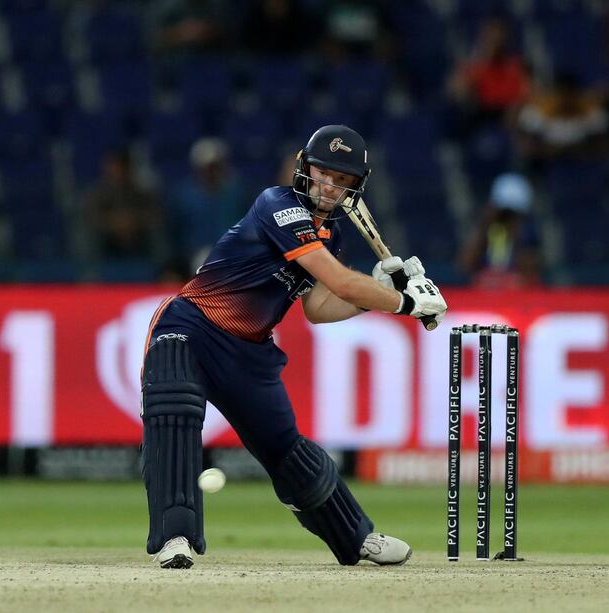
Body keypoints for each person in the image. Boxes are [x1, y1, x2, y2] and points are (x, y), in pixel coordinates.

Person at [141, 125, 447, 569]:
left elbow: (320, 305)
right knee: (175, 412)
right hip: (192, 325)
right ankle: (176, 539)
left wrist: (373, 297)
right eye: (324, 173)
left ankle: (356, 537)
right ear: (304, 168)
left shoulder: (333, 237)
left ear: (354, 187)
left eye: (342, 180)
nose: (330, 186)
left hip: (248, 351)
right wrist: (405, 302)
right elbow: (341, 280)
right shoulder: (277, 204)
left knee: (287, 450)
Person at [165, 137, 245, 271]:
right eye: (207, 167)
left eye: (215, 167)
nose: (211, 172)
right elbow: (174, 232)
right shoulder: (183, 195)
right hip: (192, 255)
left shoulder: (236, 193)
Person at [457, 173, 540, 289]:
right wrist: (484, 227)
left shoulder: (528, 236)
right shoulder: (488, 231)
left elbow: (530, 275)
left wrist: (517, 235)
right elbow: (464, 265)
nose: (507, 218)